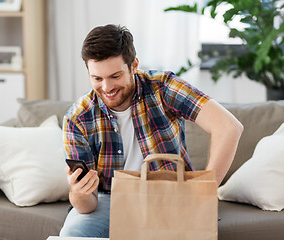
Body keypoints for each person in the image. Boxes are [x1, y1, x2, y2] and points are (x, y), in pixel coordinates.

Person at [60, 24, 243, 238]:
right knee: (73, 233)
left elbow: (229, 127)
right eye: (97, 79)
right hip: (109, 199)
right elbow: (87, 206)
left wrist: (204, 192)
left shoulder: (163, 88)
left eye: (115, 76)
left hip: (169, 195)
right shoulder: (77, 119)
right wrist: (78, 192)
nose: (107, 88)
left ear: (133, 65)